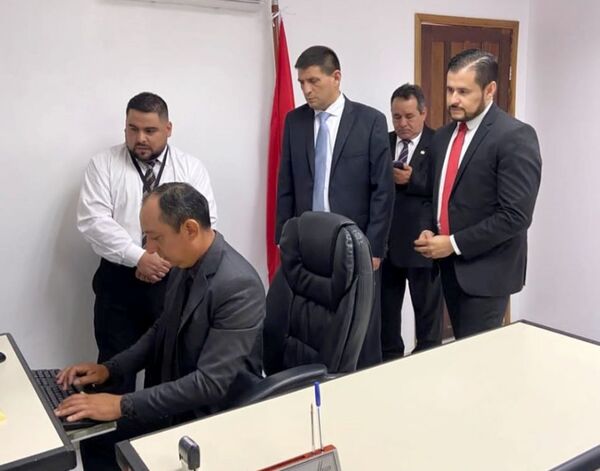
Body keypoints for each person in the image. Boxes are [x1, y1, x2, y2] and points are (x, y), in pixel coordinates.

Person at [57, 182, 264, 470]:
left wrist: (120, 404)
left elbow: (210, 384)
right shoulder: (184, 263)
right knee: (93, 433)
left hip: (210, 416)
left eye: (156, 238)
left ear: (190, 229)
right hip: (177, 401)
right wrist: (110, 370)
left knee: (104, 431)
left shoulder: (238, 286)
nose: (149, 248)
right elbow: (161, 331)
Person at [77, 92, 217, 394]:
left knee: (168, 369)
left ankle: (157, 426)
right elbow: (93, 221)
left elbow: (205, 222)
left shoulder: (190, 168)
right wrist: (138, 257)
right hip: (118, 283)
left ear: (168, 128)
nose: (140, 138)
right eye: (133, 129)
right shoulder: (103, 164)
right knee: (113, 371)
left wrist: (161, 260)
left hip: (174, 280)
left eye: (150, 130)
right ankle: (110, 426)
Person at [276, 45, 394, 368]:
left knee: (361, 330)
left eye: (313, 81)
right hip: (308, 245)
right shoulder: (295, 121)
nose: (306, 90)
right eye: (301, 83)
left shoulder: (369, 121)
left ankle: (364, 386)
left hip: (356, 246)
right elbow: (286, 183)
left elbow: (382, 191)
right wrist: (283, 238)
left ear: (336, 77)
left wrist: (375, 247)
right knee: (312, 326)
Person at [414, 49, 542, 339]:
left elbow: (515, 216)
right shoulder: (443, 137)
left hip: (488, 274)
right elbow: (431, 195)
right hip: (448, 269)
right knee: (461, 350)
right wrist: (427, 227)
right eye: (450, 89)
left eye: (463, 91)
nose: (453, 99)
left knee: (480, 358)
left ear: (489, 90)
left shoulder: (515, 137)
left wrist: (453, 244)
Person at [380, 84, 443, 360]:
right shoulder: (382, 141)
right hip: (386, 245)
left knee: (428, 319)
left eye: (409, 116)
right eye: (397, 117)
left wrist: (412, 179)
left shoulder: (439, 143)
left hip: (422, 243)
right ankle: (391, 364)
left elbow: (446, 188)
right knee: (385, 318)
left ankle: (428, 365)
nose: (403, 123)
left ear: (423, 113)